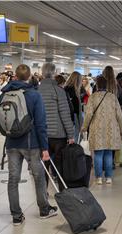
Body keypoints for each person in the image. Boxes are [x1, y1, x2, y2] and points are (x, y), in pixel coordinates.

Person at [0, 64, 58, 225]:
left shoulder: (5, 94)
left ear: (16, 77)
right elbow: (40, 124)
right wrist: (45, 148)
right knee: (38, 177)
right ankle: (44, 210)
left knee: (13, 179)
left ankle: (16, 216)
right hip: (31, 144)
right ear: (30, 76)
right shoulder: (34, 95)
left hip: (11, 143)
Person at [38, 63, 75, 191]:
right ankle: (62, 191)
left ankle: (43, 194)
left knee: (43, 166)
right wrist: (71, 135)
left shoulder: (36, 91)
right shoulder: (59, 91)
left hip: (41, 136)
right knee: (59, 165)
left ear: (42, 74)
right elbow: (65, 114)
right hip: (58, 135)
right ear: (54, 74)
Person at [82, 75, 122, 185]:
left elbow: (88, 114)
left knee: (98, 154)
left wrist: (84, 127)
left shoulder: (93, 97)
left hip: (97, 129)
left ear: (97, 85)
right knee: (109, 153)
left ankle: (99, 178)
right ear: (106, 85)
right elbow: (119, 114)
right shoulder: (112, 97)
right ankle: (109, 177)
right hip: (111, 128)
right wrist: (121, 129)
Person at [65, 71, 82, 143]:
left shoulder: (65, 89)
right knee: (75, 137)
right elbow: (76, 107)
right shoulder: (73, 91)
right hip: (73, 116)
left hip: (66, 115)